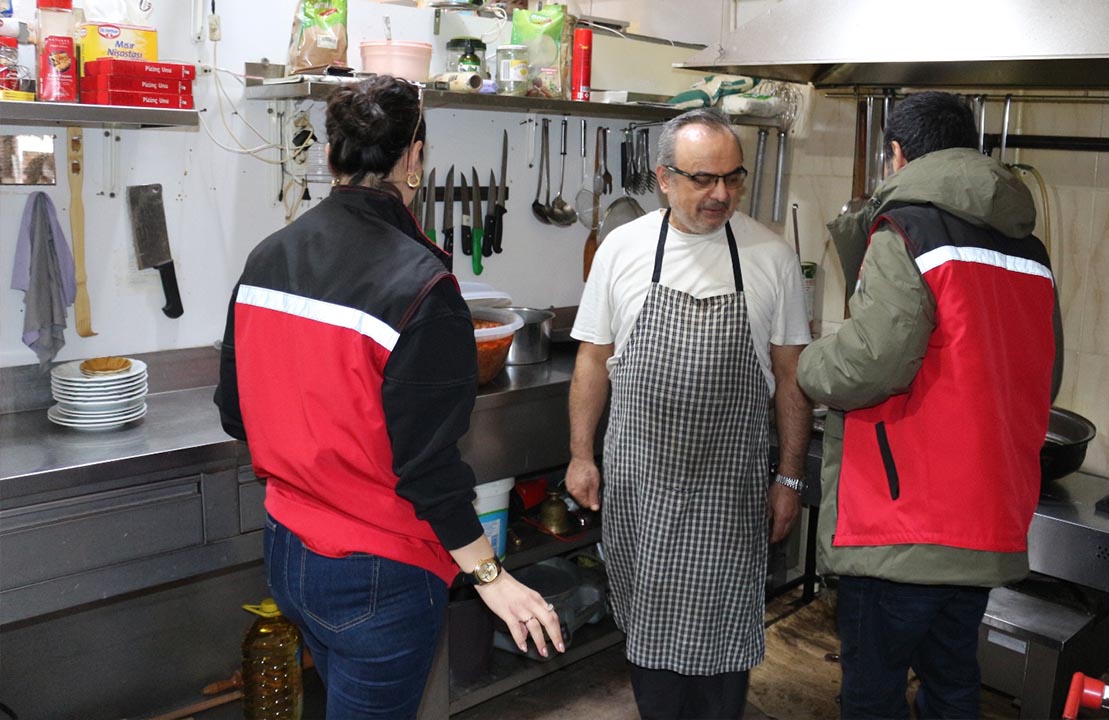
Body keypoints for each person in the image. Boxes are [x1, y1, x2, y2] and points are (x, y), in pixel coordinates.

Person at [213, 75, 562, 718]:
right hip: (377, 573)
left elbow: (237, 414)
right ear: (414, 158)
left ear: (331, 156)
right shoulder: (422, 285)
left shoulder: (267, 257)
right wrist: (491, 576)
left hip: (287, 551)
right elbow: (428, 470)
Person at [796, 91, 1060, 719]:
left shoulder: (908, 229)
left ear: (896, 154)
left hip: (904, 522)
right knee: (953, 684)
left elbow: (870, 364)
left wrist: (807, 363)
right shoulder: (1028, 248)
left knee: (873, 694)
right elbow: (1044, 378)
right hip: (985, 519)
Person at [566, 108, 814, 719]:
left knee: (724, 633)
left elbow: (791, 377)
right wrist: (580, 456)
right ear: (664, 178)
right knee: (648, 625)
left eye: (733, 178)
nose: (721, 194)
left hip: (730, 490)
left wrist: (789, 478)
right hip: (641, 484)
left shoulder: (771, 256)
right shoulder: (622, 248)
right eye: (703, 179)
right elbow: (593, 360)